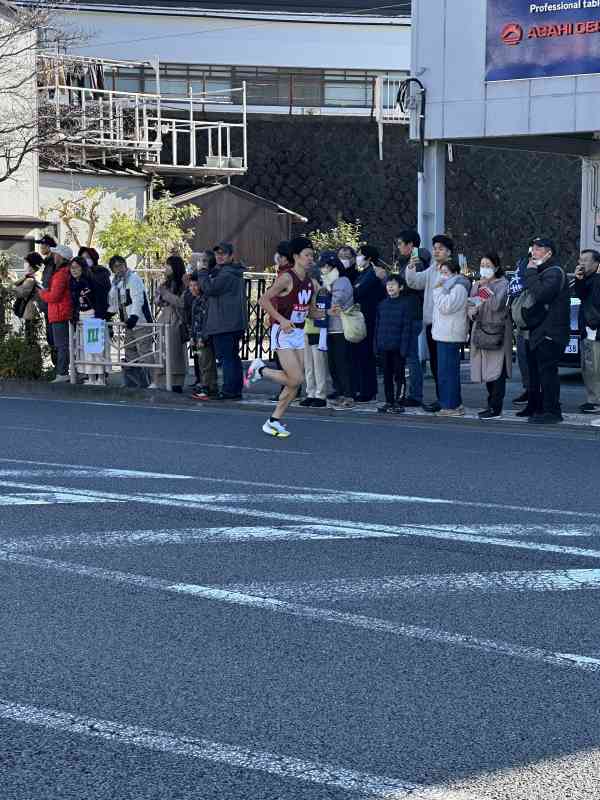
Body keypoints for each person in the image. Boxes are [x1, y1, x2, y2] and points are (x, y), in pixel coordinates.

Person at [245, 236, 317, 438]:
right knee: (296, 378)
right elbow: (263, 300)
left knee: (294, 383)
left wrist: (330, 312)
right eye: (307, 255)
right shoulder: (287, 278)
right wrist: (281, 319)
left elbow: (310, 312)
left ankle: (273, 421)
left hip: (299, 332)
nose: (311, 258)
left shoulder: (311, 282)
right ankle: (261, 369)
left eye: (312, 255)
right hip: (283, 332)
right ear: (296, 256)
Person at [514, 237, 570, 424]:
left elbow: (541, 293)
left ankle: (552, 411)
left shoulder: (554, 272)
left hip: (550, 332)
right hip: (538, 330)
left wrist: (530, 272)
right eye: (533, 248)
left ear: (549, 253)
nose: (534, 252)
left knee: (548, 373)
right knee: (537, 372)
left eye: (539, 249)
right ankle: (537, 406)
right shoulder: (542, 270)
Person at [406, 234, 455, 412]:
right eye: (435, 248)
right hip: (431, 323)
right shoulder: (433, 269)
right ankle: (441, 399)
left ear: (449, 252)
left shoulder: (451, 269)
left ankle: (448, 399)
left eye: (440, 248)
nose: (436, 251)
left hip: (445, 323)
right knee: (435, 363)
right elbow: (414, 282)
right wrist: (411, 268)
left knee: (445, 365)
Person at [197, 242, 247, 400]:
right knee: (232, 357)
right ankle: (235, 389)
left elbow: (210, 289)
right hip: (233, 323)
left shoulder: (226, 273)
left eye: (223, 254)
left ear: (231, 256)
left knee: (227, 359)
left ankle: (229, 391)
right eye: (217, 253)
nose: (219, 256)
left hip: (224, 323)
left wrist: (203, 272)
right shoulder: (232, 271)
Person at [468, 253, 512, 419]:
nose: (484, 269)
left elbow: (496, 306)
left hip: (497, 331)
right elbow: (472, 305)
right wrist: (472, 312)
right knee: (485, 368)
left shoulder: (503, 284)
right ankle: (490, 403)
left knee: (497, 369)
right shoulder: (477, 284)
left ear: (496, 267)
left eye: (488, 265)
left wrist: (486, 288)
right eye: (482, 265)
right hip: (481, 330)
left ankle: (496, 407)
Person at [396, 228, 431, 407]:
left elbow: (413, 284)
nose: (399, 247)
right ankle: (408, 393)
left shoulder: (416, 262)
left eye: (401, 244)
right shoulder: (408, 261)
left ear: (411, 245)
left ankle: (415, 395)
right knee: (410, 355)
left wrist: (398, 284)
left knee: (411, 356)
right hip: (409, 313)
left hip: (412, 313)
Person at [108, 255, 154, 388]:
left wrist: (134, 316)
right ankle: (135, 382)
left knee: (145, 351)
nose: (119, 268)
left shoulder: (134, 279)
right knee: (130, 352)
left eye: (120, 265)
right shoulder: (116, 283)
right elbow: (115, 303)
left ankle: (153, 382)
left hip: (141, 322)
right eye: (115, 267)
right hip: (127, 323)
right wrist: (108, 314)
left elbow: (138, 299)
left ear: (125, 264)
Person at [432, 260, 470, 417]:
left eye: (446, 272)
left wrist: (437, 290)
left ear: (455, 273)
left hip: (450, 334)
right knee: (446, 372)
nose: (442, 276)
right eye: (441, 272)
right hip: (444, 334)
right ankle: (454, 403)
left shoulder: (459, 287)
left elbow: (446, 306)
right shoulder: (450, 286)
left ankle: (451, 406)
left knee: (448, 373)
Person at [300, 251, 336, 408]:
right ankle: (310, 392)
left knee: (319, 364)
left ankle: (320, 394)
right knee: (308, 364)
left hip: (319, 330)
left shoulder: (322, 292)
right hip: (306, 329)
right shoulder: (305, 291)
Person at [375, 274, 415, 414]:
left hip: (398, 348)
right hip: (384, 347)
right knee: (386, 376)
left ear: (401, 287)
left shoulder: (405, 305)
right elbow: (377, 327)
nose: (390, 286)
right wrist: (377, 345)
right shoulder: (382, 304)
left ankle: (399, 401)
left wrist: (404, 348)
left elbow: (407, 328)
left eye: (393, 284)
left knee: (399, 376)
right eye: (388, 284)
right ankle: (389, 401)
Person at [352, 244, 387, 402]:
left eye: (360, 254)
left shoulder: (373, 273)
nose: (358, 257)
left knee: (366, 354)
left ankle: (368, 390)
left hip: (369, 317)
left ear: (369, 257)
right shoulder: (365, 273)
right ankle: (361, 387)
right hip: (362, 317)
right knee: (360, 354)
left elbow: (358, 291)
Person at [150, 255, 189, 393]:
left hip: (176, 321)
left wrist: (166, 294)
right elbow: (158, 300)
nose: (165, 268)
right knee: (162, 352)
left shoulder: (184, 283)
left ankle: (176, 382)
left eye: (168, 265)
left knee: (175, 353)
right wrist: (159, 297)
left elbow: (182, 302)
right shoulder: (165, 283)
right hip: (164, 320)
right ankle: (159, 380)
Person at [321, 252, 354, 410]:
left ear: (334, 267)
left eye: (327, 266)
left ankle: (348, 394)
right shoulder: (328, 282)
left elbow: (335, 302)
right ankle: (339, 391)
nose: (324, 269)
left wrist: (325, 295)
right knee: (333, 363)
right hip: (330, 328)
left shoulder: (342, 281)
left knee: (342, 363)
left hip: (341, 328)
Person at [69, 256, 109, 386]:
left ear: (83, 268)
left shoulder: (91, 281)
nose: (73, 270)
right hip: (81, 316)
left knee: (95, 349)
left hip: (92, 316)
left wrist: (99, 315)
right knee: (85, 350)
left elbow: (100, 299)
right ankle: (91, 377)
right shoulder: (73, 283)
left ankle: (101, 378)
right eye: (72, 268)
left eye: (76, 267)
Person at [37, 244, 74, 383]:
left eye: (56, 254)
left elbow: (54, 296)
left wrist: (41, 293)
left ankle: (62, 372)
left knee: (61, 345)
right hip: (61, 312)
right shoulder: (66, 271)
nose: (53, 256)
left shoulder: (61, 273)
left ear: (61, 257)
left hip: (59, 312)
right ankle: (64, 371)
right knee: (64, 344)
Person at [574, 249, 600, 413]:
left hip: (593, 329)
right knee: (589, 366)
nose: (581, 263)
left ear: (596, 262)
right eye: (580, 260)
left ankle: (595, 401)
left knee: (593, 367)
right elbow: (581, 294)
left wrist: (593, 324)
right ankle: (594, 399)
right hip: (590, 329)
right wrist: (579, 279)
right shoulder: (589, 279)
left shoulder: (597, 280)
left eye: (585, 260)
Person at [187, 269, 218, 401]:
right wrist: (192, 337)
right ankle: (207, 385)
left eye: (196, 285)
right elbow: (194, 322)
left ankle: (208, 387)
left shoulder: (205, 300)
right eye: (191, 286)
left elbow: (204, 321)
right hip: (197, 337)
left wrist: (201, 337)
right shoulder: (196, 300)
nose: (193, 288)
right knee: (201, 362)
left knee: (206, 363)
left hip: (204, 338)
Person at [35, 234, 58, 365]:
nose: (41, 247)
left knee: (55, 339)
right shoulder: (48, 263)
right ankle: (57, 370)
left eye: (43, 244)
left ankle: (60, 370)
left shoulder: (54, 263)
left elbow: (51, 286)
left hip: (53, 306)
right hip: (47, 306)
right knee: (51, 338)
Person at [11, 252, 43, 344]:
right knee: (30, 337)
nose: (25, 265)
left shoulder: (31, 279)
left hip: (30, 312)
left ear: (31, 265)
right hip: (31, 311)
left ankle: (32, 357)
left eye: (26, 263)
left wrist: (11, 287)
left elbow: (21, 292)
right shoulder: (32, 276)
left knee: (30, 339)